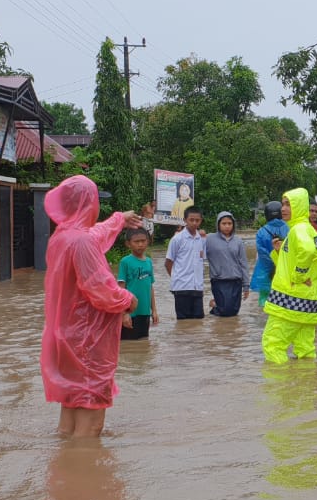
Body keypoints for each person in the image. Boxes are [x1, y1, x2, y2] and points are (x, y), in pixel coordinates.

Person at [40, 175, 141, 438]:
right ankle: (84, 471)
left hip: (66, 336)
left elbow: (95, 233)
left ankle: (64, 469)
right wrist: (129, 300)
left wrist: (119, 218)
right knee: (92, 416)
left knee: (72, 404)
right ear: (90, 203)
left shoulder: (61, 237)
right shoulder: (82, 242)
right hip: (88, 339)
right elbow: (101, 289)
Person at [261, 188, 317, 363]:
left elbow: (307, 251)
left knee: (272, 345)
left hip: (290, 301)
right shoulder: (309, 230)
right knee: (305, 350)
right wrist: (279, 251)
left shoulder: (298, 230)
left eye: (288, 205)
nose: (283, 209)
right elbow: (303, 258)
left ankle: (280, 388)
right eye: (283, 204)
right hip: (309, 302)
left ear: (298, 206)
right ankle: (305, 387)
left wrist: (298, 276)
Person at [165, 206, 206, 320]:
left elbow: (202, 260)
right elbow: (168, 262)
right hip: (181, 288)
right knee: (183, 322)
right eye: (191, 220)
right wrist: (175, 278)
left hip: (197, 287)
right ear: (185, 220)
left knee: (198, 321)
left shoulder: (202, 239)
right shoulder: (177, 239)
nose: (194, 223)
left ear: (201, 221)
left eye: (197, 220)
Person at [205, 211, 249, 317]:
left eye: (229, 223)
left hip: (236, 280)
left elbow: (243, 263)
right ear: (218, 225)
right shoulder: (209, 239)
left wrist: (246, 286)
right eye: (224, 223)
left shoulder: (238, 241)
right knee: (224, 311)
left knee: (234, 311)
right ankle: (214, 307)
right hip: (218, 280)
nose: (227, 226)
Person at [117, 227, 158, 340]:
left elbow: (150, 287)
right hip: (131, 313)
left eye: (143, 241)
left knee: (143, 344)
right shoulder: (125, 262)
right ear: (128, 244)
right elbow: (121, 289)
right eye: (136, 241)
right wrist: (124, 314)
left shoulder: (149, 261)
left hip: (145, 312)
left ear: (148, 241)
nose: (140, 244)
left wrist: (153, 310)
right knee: (128, 343)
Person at [251, 201, 289, 308]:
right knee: (283, 302)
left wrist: (271, 269)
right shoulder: (289, 229)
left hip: (265, 272)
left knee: (265, 302)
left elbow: (262, 254)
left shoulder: (261, 232)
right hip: (284, 271)